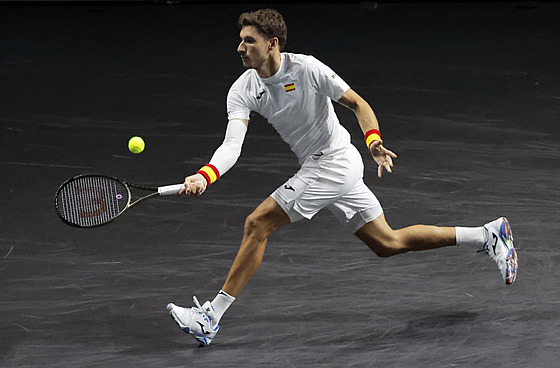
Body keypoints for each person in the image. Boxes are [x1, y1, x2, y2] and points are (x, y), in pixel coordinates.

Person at [167, 8, 518, 346]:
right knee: (388, 243)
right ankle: (487, 235)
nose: (240, 48)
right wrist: (205, 175)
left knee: (257, 223)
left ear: (273, 43)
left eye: (249, 41)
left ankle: (211, 316)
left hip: (335, 161)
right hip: (328, 167)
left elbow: (358, 104)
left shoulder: (306, 68)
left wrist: (374, 141)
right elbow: (232, 145)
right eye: (241, 41)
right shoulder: (242, 89)